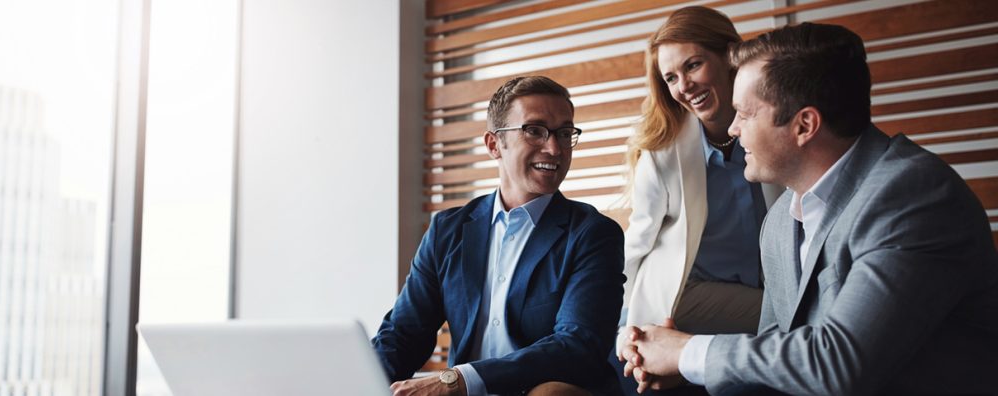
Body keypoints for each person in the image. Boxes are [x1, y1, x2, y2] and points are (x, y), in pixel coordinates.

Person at [621, 22, 998, 395]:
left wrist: (688, 352)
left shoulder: (914, 198)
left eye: (746, 114)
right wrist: (689, 370)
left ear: (804, 125)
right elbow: (775, 354)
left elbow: (838, 365)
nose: (733, 129)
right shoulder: (781, 222)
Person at [373, 76, 625, 396]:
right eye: (535, 130)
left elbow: (577, 346)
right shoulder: (446, 230)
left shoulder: (593, 234)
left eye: (564, 133)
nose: (554, 148)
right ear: (494, 145)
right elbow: (404, 333)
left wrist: (462, 379)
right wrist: (359, 381)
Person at [617, 6, 784, 393]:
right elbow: (637, 244)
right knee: (797, 315)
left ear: (730, 56)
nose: (684, 86)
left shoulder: (774, 126)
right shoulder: (662, 152)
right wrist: (625, 330)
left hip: (760, 288)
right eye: (671, 77)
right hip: (686, 294)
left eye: (692, 65)